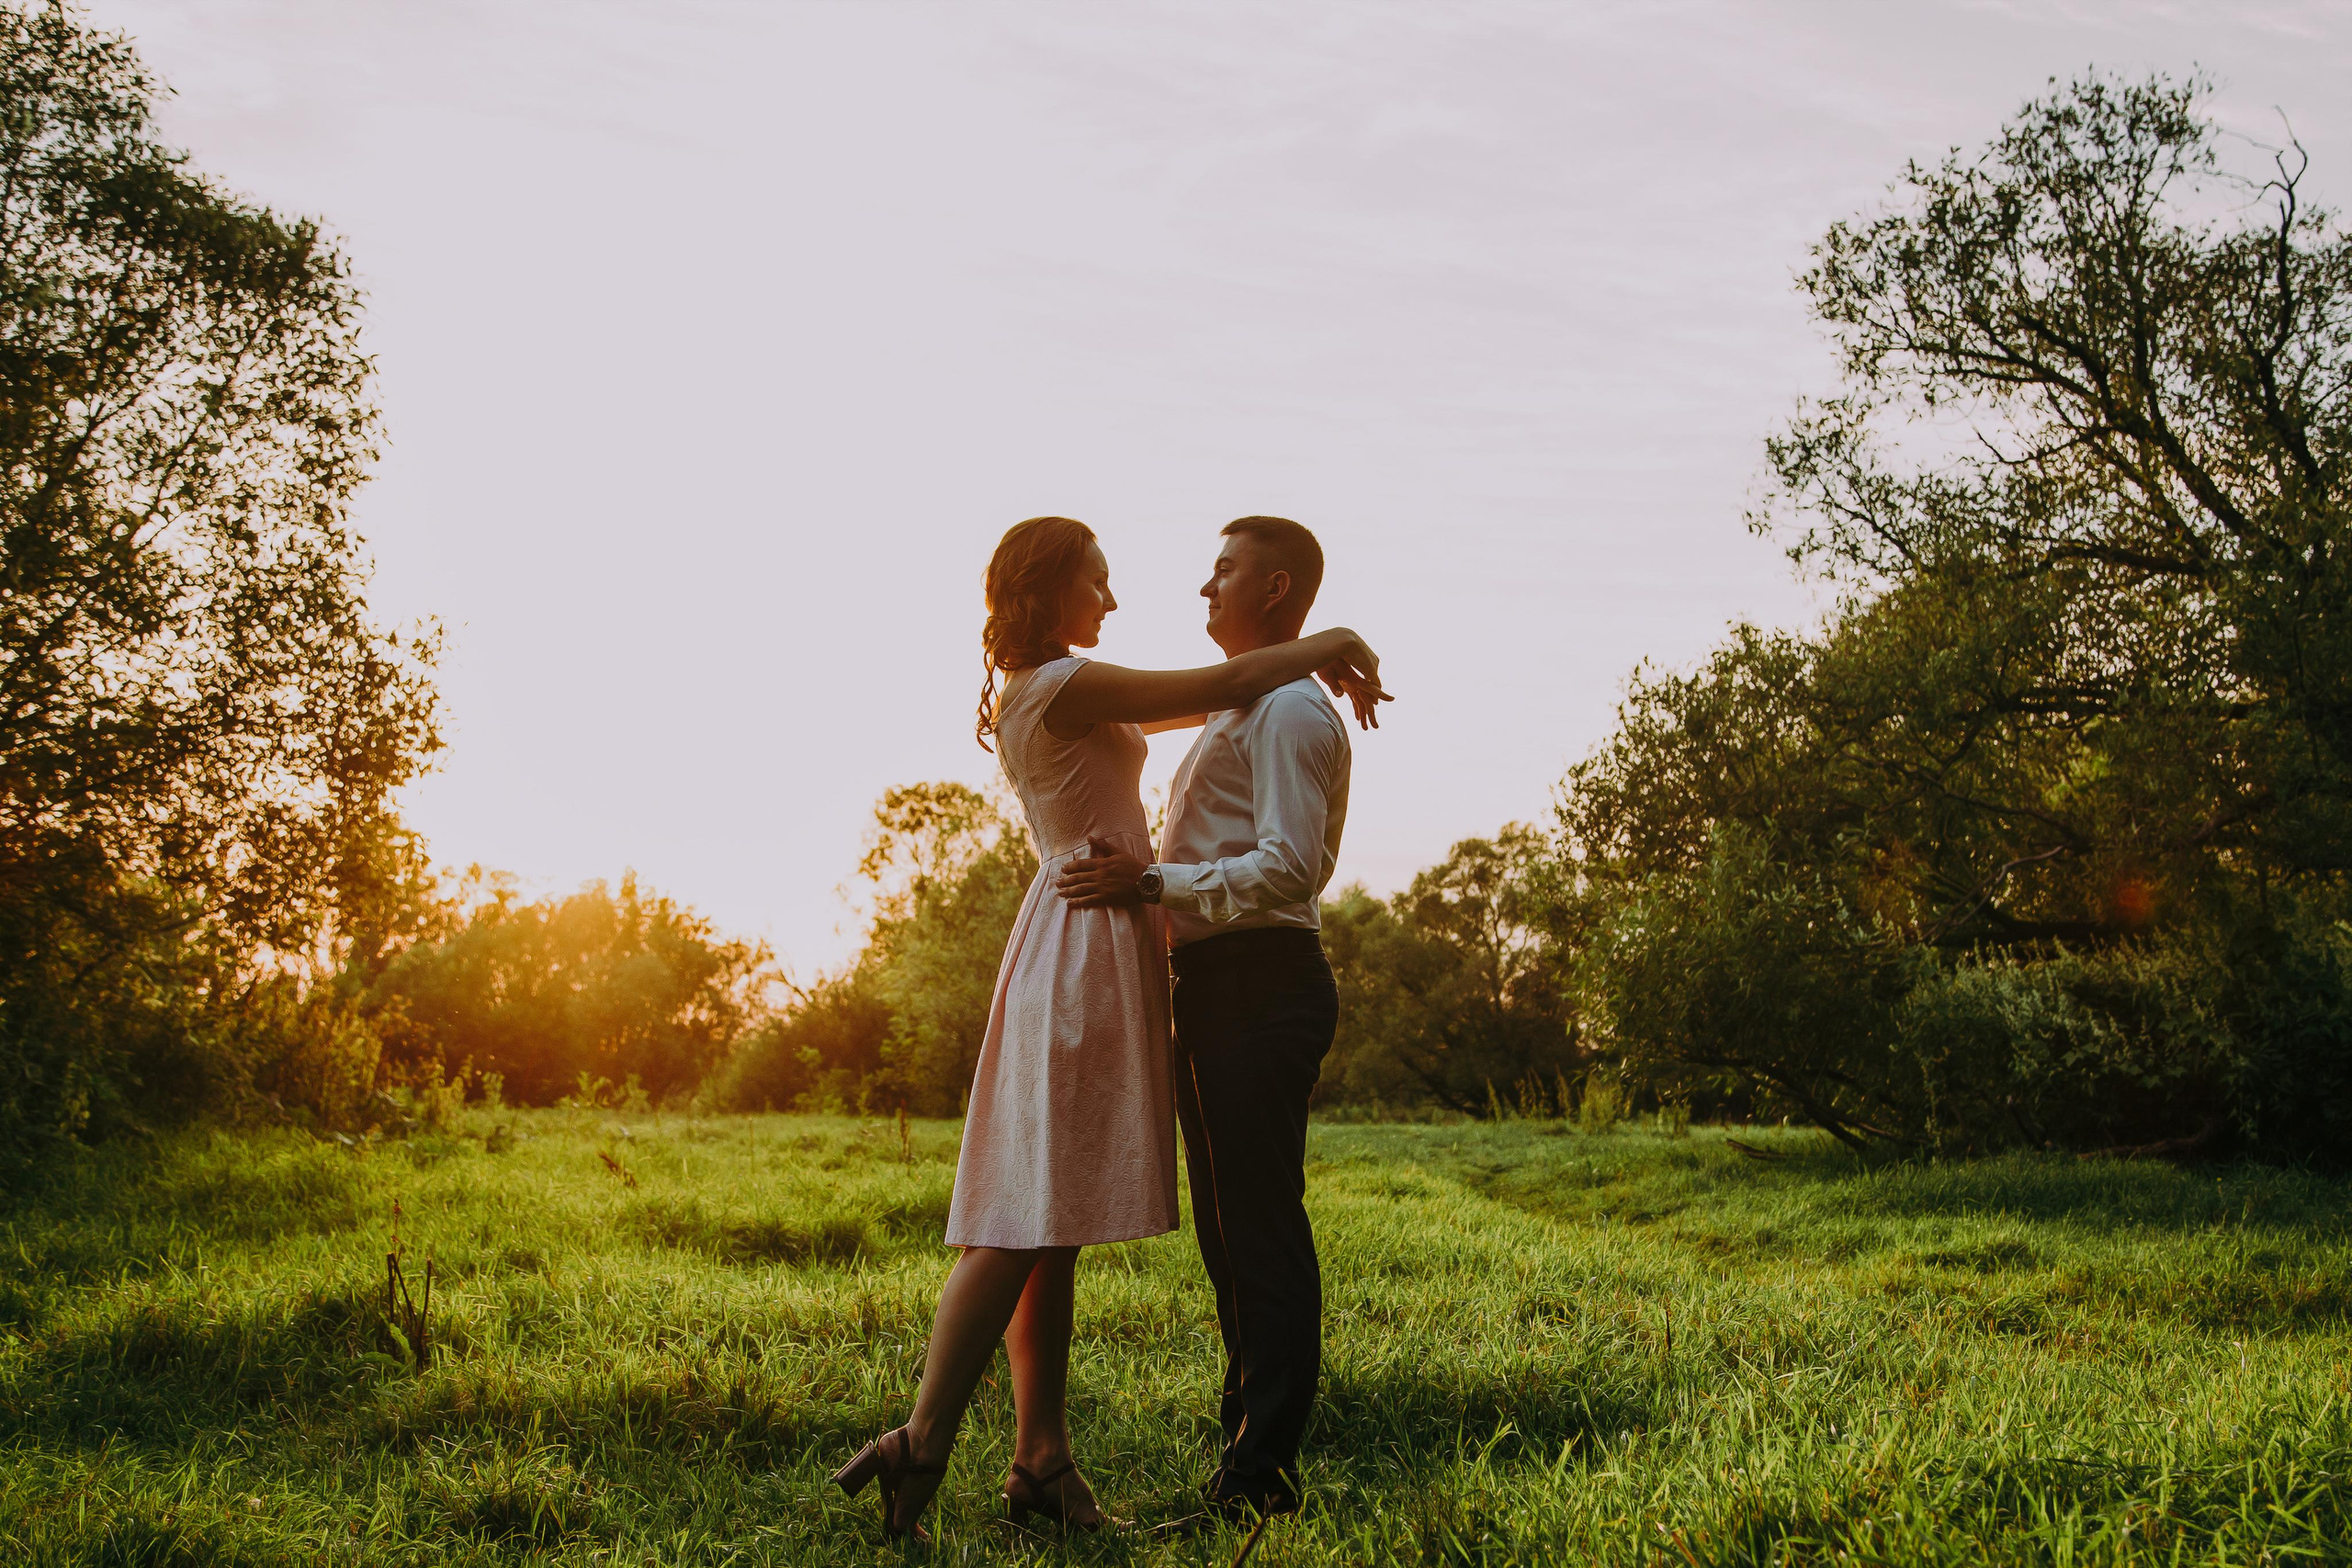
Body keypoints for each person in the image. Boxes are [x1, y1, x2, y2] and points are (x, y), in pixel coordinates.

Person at [832, 515, 1387, 1543]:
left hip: (1102, 933)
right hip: (1088, 938)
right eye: (1099, 579)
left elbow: (1230, 702)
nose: (1118, 599)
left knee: (1051, 1220)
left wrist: (1309, 659)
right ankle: (921, 1436)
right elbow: (1220, 688)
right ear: (1050, 592)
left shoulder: (1074, 687)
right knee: (1025, 1219)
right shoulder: (1064, 685)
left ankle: (1040, 1459)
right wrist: (1334, 638)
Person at [1056, 515, 1357, 1524]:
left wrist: (1150, 884)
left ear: (1273, 590)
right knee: (1229, 1238)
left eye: (1223, 571)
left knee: (1260, 1228)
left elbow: (1291, 868)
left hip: (1263, 981)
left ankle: (1260, 1482)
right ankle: (1242, 1457)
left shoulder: (1289, 716)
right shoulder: (1244, 706)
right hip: (1217, 986)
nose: (1204, 588)